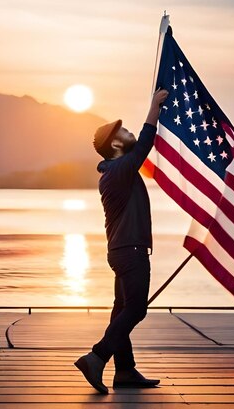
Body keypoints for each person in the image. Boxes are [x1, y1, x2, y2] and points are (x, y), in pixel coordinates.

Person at [74, 88, 169, 394]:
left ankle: (125, 371)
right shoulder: (118, 170)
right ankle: (96, 357)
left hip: (121, 250)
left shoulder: (114, 171)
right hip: (130, 252)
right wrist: (154, 106)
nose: (129, 133)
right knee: (136, 309)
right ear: (115, 143)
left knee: (122, 309)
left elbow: (139, 148)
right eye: (124, 131)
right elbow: (144, 145)